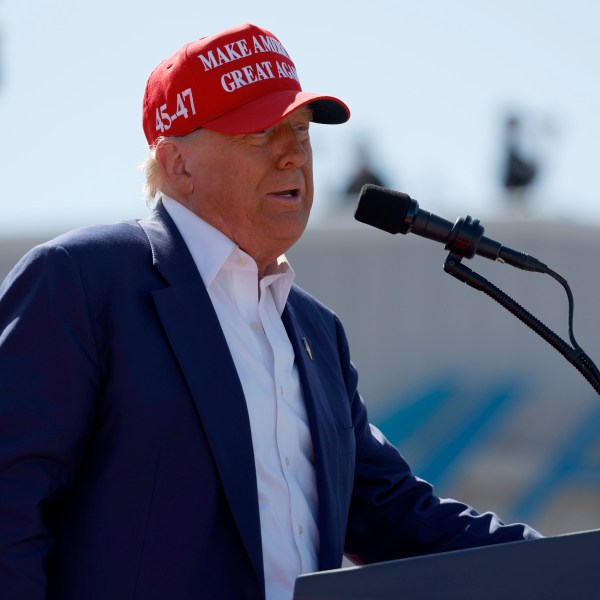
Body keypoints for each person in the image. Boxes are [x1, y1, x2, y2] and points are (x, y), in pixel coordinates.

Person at [0, 23, 541, 600]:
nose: (292, 155)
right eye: (259, 133)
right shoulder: (80, 281)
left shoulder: (315, 331)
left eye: (301, 132)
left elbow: (396, 512)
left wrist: (559, 559)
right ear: (178, 163)